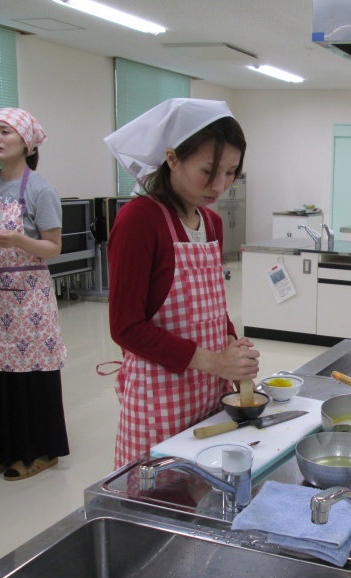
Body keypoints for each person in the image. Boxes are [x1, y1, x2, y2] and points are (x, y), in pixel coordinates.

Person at [104, 99, 259, 469]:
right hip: (159, 399)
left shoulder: (211, 223)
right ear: (172, 158)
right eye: (209, 171)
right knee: (160, 491)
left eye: (231, 172)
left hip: (208, 392)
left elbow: (212, 306)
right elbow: (126, 327)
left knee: (206, 486)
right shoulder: (139, 220)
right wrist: (215, 362)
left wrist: (231, 343)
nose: (220, 185)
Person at [0, 108, 69, 480]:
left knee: (32, 375)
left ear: (26, 143)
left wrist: (18, 240)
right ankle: (3, 449)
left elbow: (54, 246)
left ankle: (40, 451)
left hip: (29, 298)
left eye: (5, 132)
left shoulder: (39, 189)